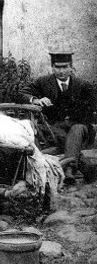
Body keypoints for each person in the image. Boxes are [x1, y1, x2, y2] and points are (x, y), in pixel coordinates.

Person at [20, 50, 96, 182]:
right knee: (63, 137)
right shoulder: (43, 82)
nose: (61, 71)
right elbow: (21, 93)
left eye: (65, 67)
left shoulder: (83, 85)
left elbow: (92, 108)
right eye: (58, 67)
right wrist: (36, 100)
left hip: (79, 127)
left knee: (77, 129)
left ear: (71, 67)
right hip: (52, 127)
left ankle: (68, 168)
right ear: (52, 67)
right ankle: (78, 167)